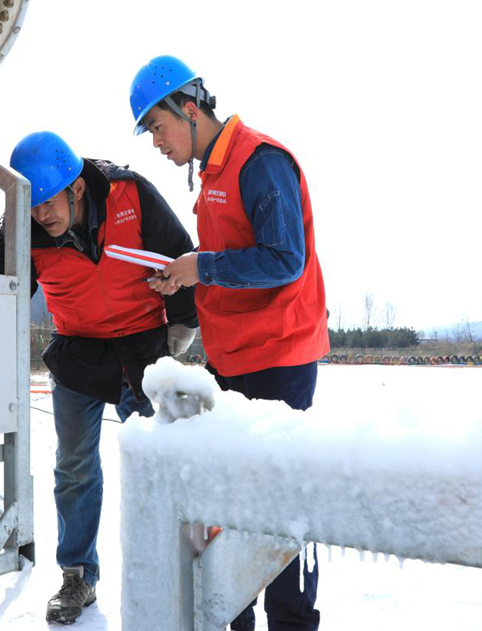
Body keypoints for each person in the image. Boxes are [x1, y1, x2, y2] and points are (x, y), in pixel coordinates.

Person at [128, 56, 330, 631]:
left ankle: (291, 623)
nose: (157, 143)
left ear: (190, 110)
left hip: (278, 357)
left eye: (158, 127)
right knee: (229, 502)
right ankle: (233, 618)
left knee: (280, 507)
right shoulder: (213, 173)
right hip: (234, 357)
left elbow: (284, 259)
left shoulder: (259, 161)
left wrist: (203, 267)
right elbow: (227, 258)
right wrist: (185, 273)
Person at [0, 131, 198, 625]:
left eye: (48, 202)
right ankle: (78, 575)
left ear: (77, 189)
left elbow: (179, 251)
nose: (40, 214)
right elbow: (1, 293)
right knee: (75, 468)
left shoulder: (131, 195)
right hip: (78, 351)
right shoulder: (21, 226)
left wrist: (183, 323)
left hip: (145, 348)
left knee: (167, 461)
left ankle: (179, 565)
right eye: (32, 204)